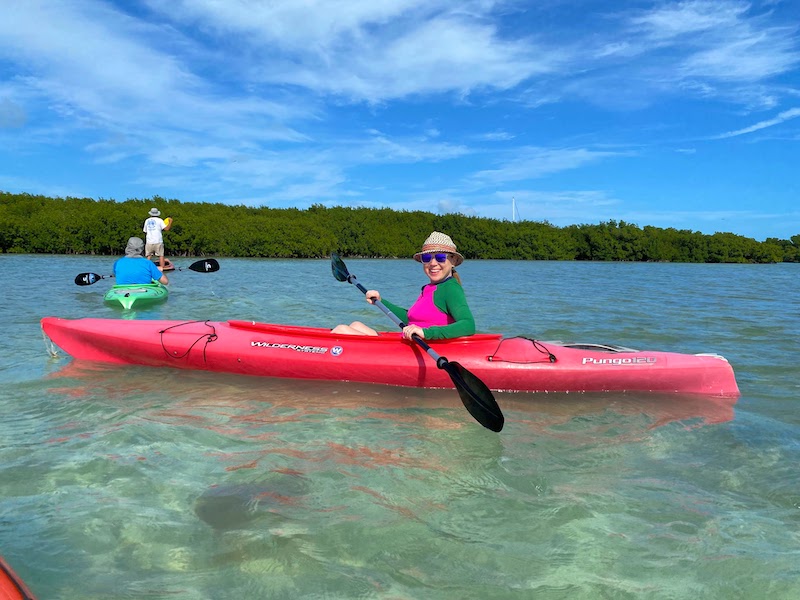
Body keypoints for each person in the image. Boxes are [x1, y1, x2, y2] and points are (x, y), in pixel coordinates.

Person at [332, 231, 475, 340]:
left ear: (454, 260)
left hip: (424, 348)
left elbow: (468, 325)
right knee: (356, 325)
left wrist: (426, 333)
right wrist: (380, 301)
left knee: (341, 329)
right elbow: (410, 319)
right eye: (427, 258)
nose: (433, 263)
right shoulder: (429, 288)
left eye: (440, 257)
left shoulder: (450, 288)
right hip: (408, 345)